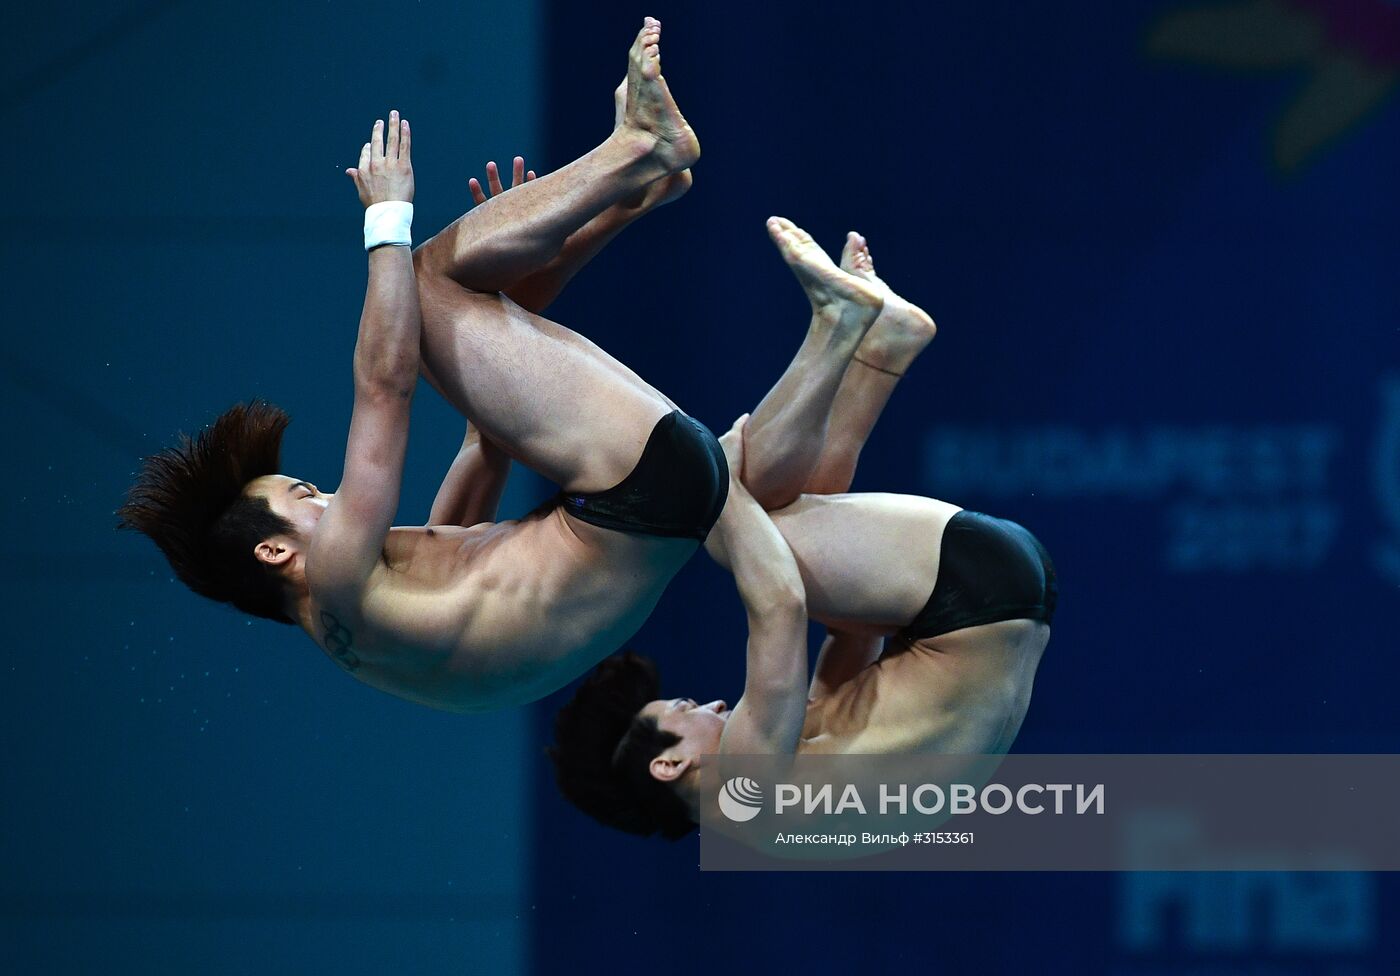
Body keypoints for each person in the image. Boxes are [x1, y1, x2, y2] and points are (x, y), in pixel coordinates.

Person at [116, 21, 884, 713]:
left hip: (675, 502)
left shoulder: (377, 630)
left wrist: (564, 232)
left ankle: (644, 195)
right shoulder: (338, 577)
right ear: (275, 552)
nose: (329, 492)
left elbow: (490, 440)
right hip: (633, 491)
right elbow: (385, 384)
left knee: (464, 301)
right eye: (305, 494)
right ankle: (638, 149)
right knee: (420, 283)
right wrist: (387, 219)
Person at [548, 232, 1058, 839]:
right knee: (712, 523)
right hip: (964, 597)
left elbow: (851, 626)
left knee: (770, 521)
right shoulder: (744, 787)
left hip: (1007, 591)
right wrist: (719, 485)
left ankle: (882, 345)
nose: (713, 704)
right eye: (687, 712)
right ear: (670, 763)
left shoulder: (781, 811)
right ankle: (841, 327)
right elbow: (783, 603)